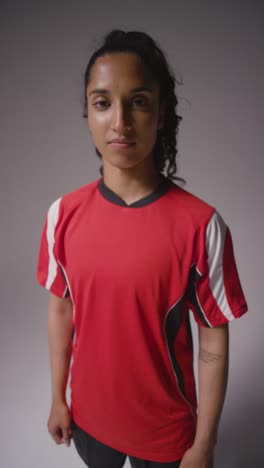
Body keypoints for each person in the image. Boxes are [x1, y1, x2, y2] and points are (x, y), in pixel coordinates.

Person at [36, 29, 248, 468]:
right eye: (102, 102)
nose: (120, 122)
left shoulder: (201, 225)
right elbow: (61, 310)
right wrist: (58, 398)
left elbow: (213, 337)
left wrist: (203, 443)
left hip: (168, 433)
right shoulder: (63, 214)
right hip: (91, 422)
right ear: (88, 113)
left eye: (138, 101)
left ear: (162, 112)